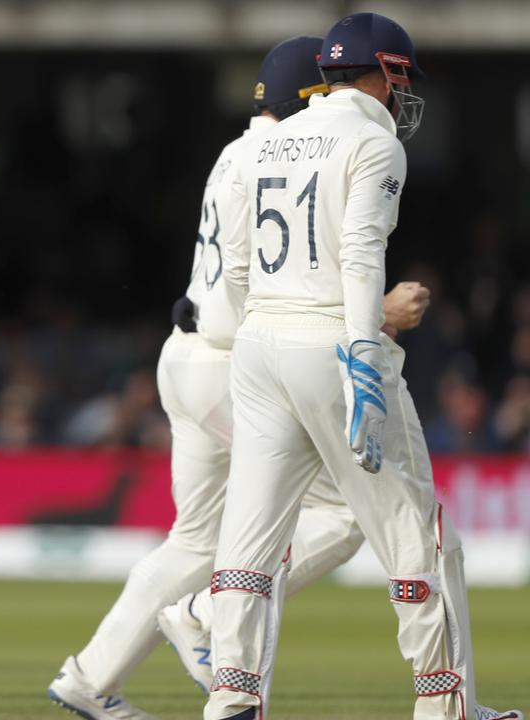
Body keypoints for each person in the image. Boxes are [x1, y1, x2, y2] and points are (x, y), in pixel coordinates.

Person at [47, 36, 434, 720]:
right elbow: (287, 286)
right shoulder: (285, 153)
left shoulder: (238, 150)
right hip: (239, 362)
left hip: (186, 355)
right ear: (311, 95)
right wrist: (379, 311)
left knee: (195, 539)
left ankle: (88, 677)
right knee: (342, 515)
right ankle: (204, 613)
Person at [203, 14, 520, 720]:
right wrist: (364, 360)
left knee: (248, 537)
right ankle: (446, 708)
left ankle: (231, 699)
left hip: (258, 347)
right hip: (330, 345)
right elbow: (359, 255)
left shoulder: (267, 140)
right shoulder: (373, 142)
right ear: (383, 72)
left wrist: (254, 334)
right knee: (418, 531)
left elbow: (235, 270)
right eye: (401, 78)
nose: (402, 94)